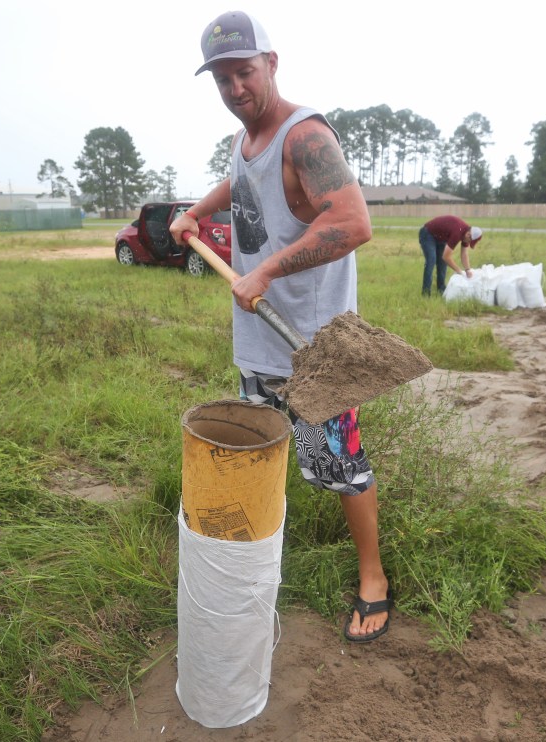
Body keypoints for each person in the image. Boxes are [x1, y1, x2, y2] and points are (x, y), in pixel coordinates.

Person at [170, 11, 391, 642]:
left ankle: (373, 577)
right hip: (260, 344)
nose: (235, 88)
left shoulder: (306, 136)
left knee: (342, 465)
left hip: (311, 349)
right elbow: (241, 181)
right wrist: (196, 213)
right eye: (221, 78)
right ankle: (261, 568)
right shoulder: (245, 140)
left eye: (244, 72)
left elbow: (353, 223)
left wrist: (263, 271)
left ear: (272, 63)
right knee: (265, 459)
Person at [419, 215, 483, 295]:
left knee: (442, 264)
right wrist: (459, 271)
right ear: (468, 235)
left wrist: (467, 270)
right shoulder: (457, 232)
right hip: (427, 233)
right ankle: (426, 293)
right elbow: (446, 257)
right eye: (470, 241)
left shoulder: (466, 234)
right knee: (431, 260)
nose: (469, 243)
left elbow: (464, 254)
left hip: (440, 237)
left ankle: (441, 291)